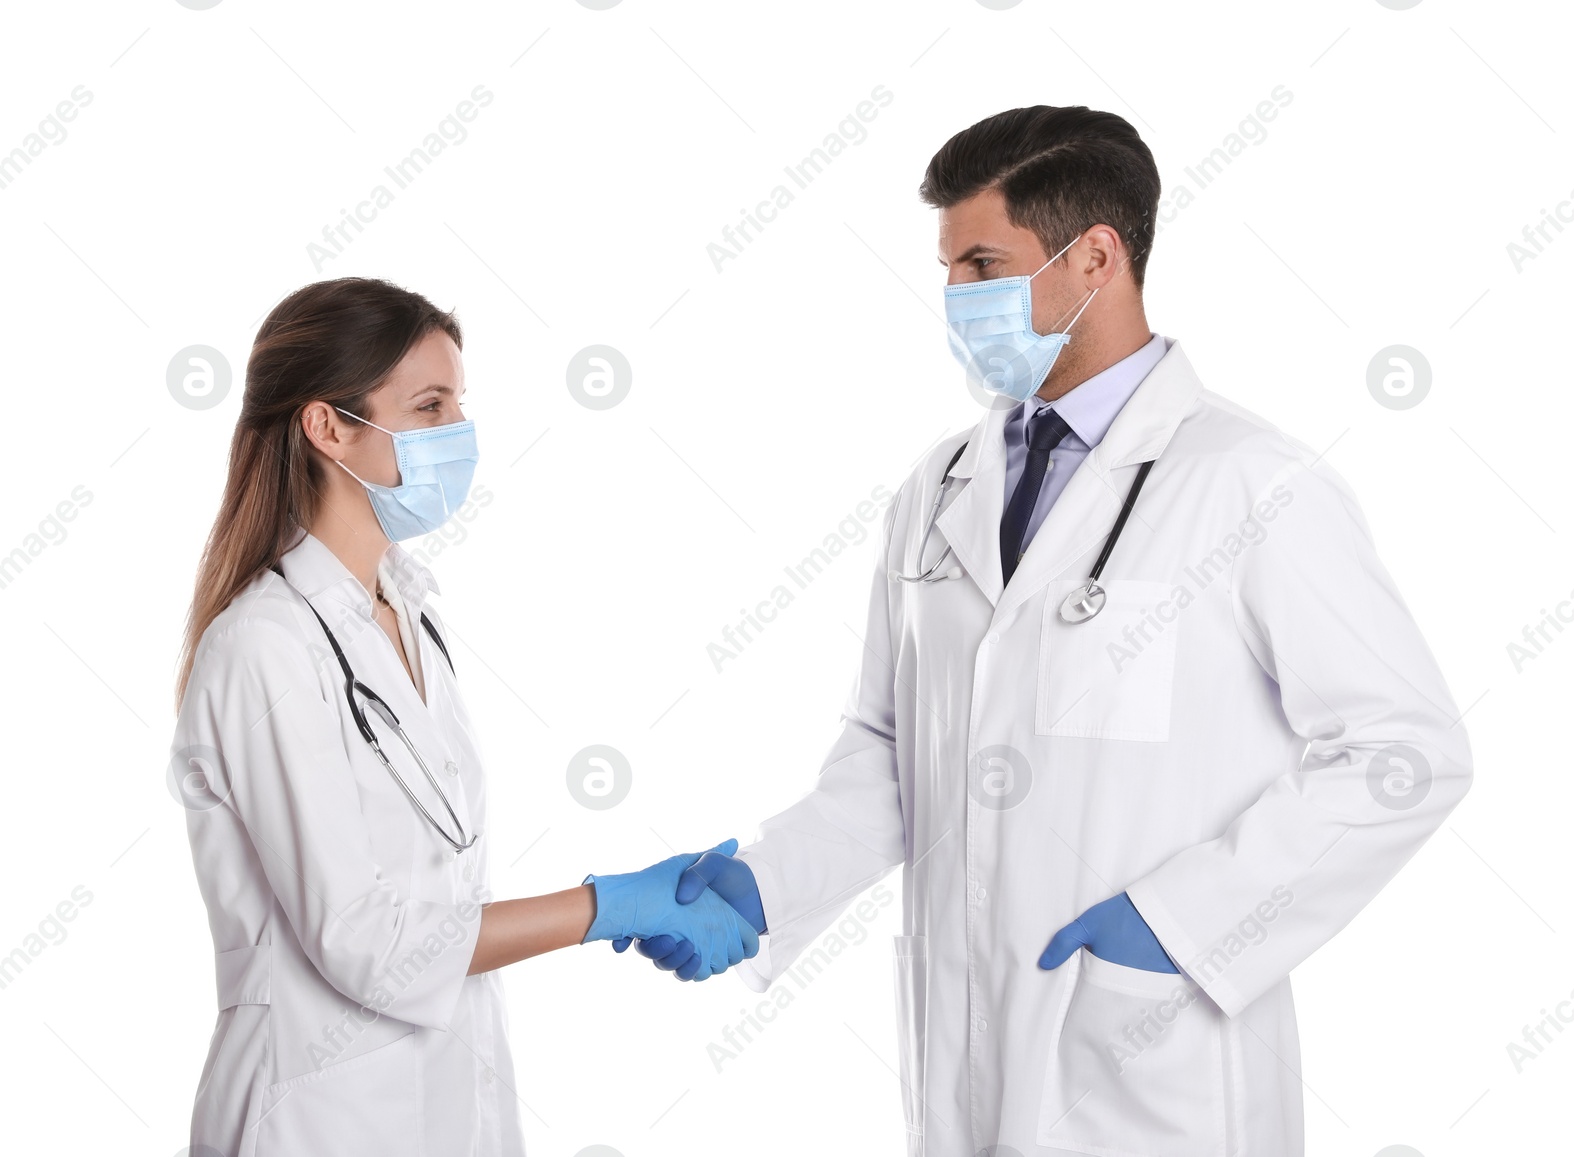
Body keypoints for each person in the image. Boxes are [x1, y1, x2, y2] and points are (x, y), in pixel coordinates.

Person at [620, 106, 1473, 1156]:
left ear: (1095, 258)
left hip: (1155, 1061)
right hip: (967, 1060)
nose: (954, 301)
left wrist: (1178, 923)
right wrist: (767, 878)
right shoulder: (937, 488)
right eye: (946, 269)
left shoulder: (1253, 481)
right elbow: (894, 754)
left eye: (983, 263)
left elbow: (1405, 751)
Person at [169, 277, 757, 1157]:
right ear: (328, 427)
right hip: (313, 1120)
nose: (458, 433)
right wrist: (603, 905)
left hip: (449, 1103)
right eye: (428, 404)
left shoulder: (410, 611)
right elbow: (363, 942)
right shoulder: (264, 645)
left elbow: (437, 898)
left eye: (458, 403)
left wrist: (632, 902)